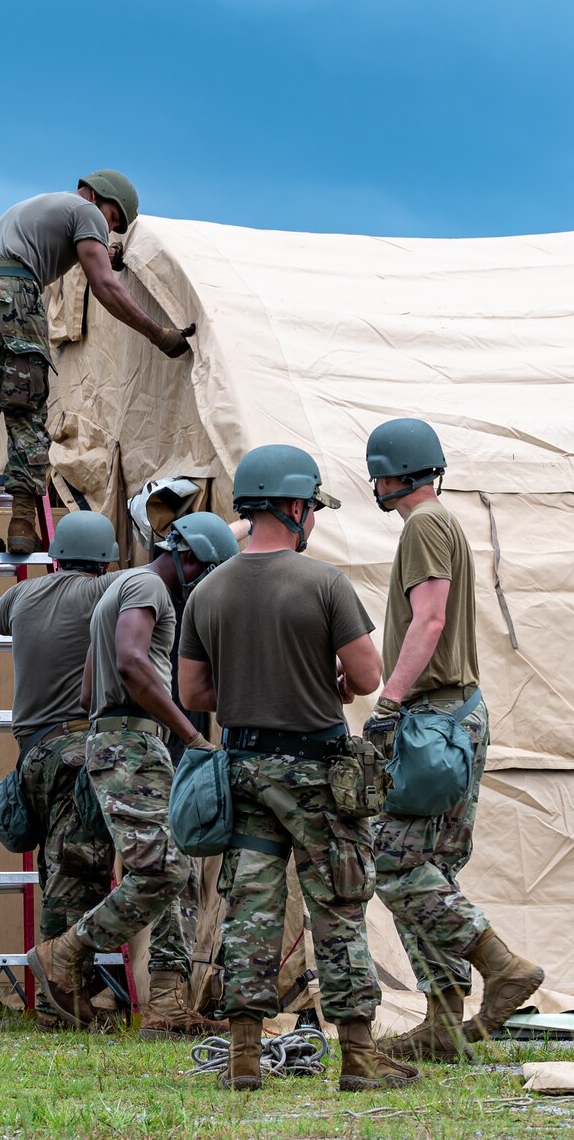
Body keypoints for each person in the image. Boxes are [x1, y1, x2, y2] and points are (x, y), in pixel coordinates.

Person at [176, 444, 416, 1092]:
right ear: (293, 505)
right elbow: (367, 674)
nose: (311, 516)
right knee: (336, 907)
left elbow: (194, 692)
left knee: (250, 907)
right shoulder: (326, 583)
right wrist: (324, 677)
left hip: (245, 770)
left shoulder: (209, 588)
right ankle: (361, 1060)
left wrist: (249, 682)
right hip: (319, 778)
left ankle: (245, 1056)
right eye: (309, 505)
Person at [363, 418, 544, 1058]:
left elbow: (430, 617)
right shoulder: (441, 524)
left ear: (394, 473)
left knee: (394, 862)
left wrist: (388, 701)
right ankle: (443, 1024)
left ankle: (503, 966)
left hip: (433, 719)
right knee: (431, 869)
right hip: (454, 713)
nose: (375, 485)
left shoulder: (422, 526)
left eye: (378, 473)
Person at [24, 509, 226, 1033]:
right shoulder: (148, 589)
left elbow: (91, 690)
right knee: (165, 870)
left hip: (110, 739)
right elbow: (134, 663)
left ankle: (163, 1001)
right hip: (132, 744)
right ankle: (64, 953)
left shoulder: (115, 592)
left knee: (149, 864)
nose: (202, 583)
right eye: (204, 571)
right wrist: (191, 735)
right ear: (187, 559)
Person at [0, 172, 194, 559]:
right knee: (24, 405)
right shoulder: (85, 211)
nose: (108, 229)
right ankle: (23, 521)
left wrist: (105, 253)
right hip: (9, 290)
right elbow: (105, 286)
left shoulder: (42, 209)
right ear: (96, 196)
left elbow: (80, 254)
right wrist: (160, 334)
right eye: (111, 219)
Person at [0, 510, 118, 1025]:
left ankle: (59, 997)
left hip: (32, 757)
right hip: (77, 750)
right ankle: (66, 1002)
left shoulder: (22, 596)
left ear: (56, 556)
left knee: (55, 866)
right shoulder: (103, 594)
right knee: (78, 869)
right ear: (104, 561)